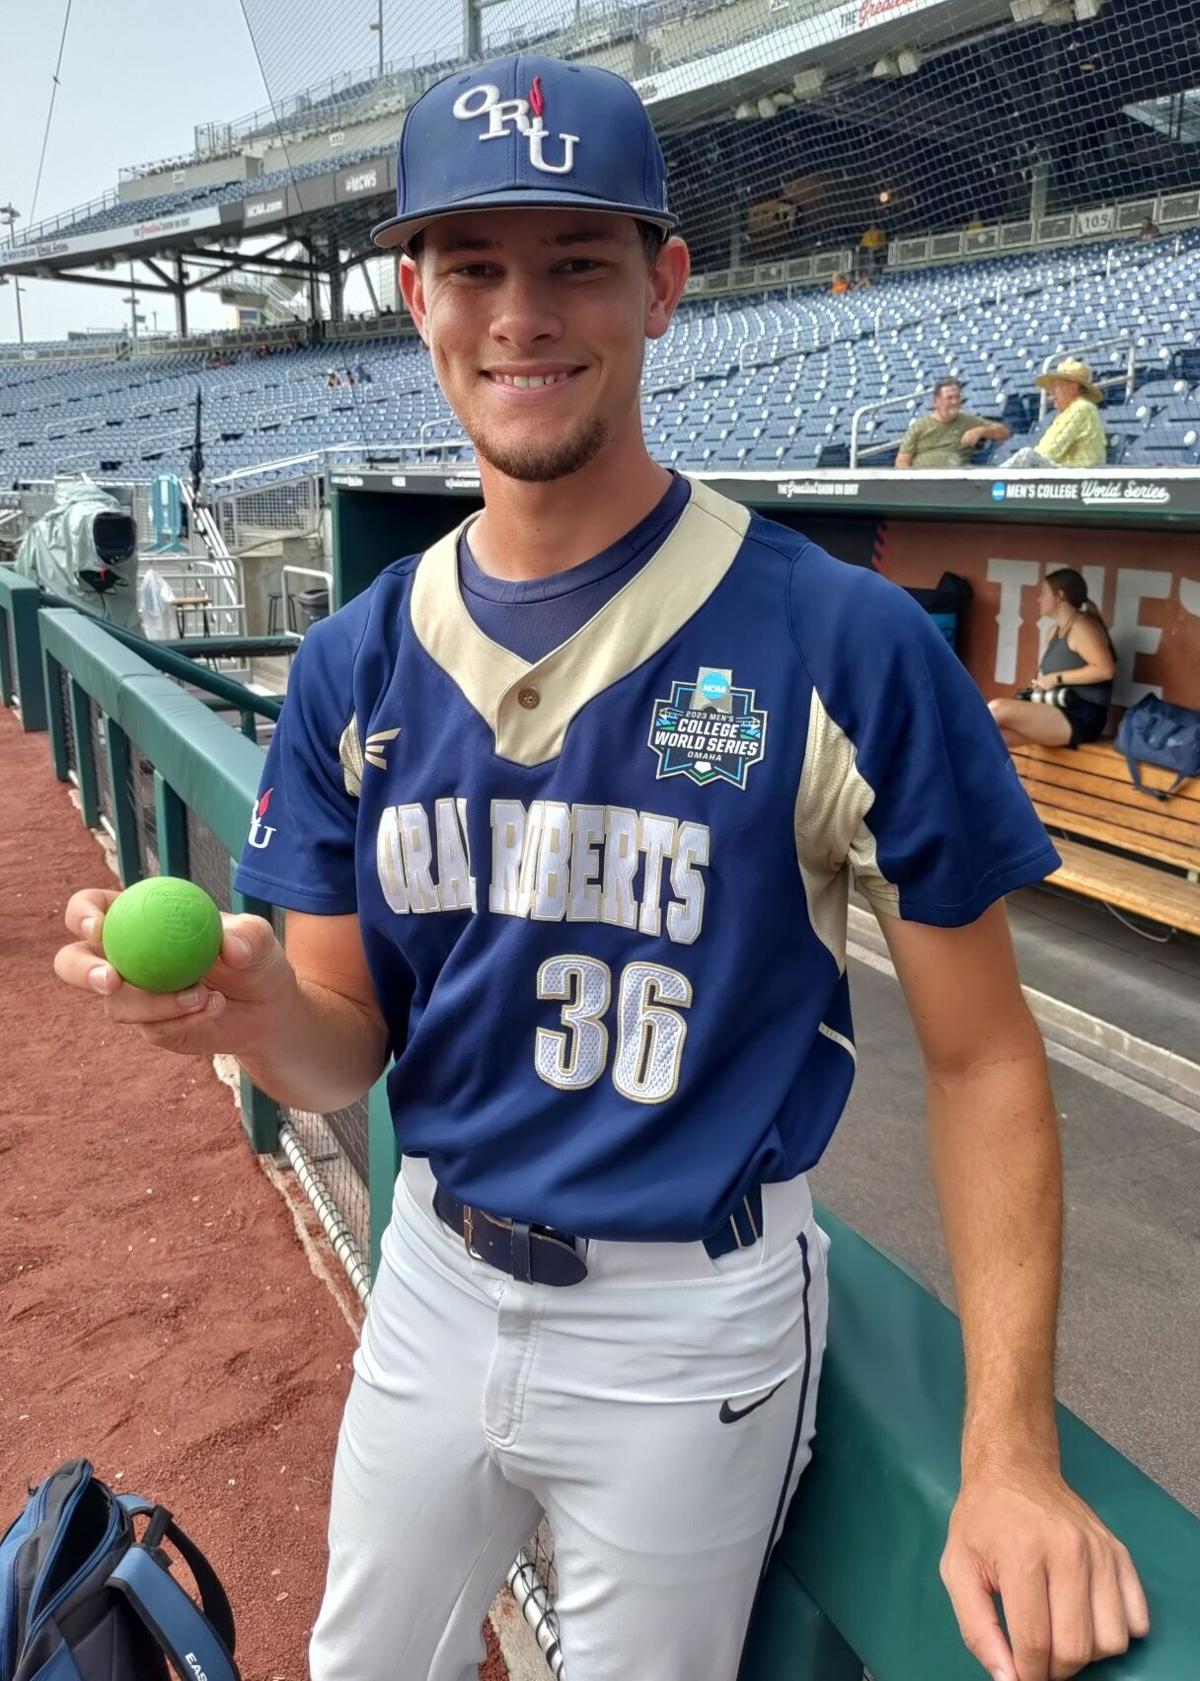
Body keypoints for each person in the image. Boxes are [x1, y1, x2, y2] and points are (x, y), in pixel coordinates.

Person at [52, 52, 1149, 1681]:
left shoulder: (843, 638)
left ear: (664, 287)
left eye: (576, 262)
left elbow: (987, 1056)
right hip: (432, 1265)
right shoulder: (357, 662)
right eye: (475, 267)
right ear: (415, 297)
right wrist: (251, 1003)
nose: (523, 316)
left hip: (692, 1321)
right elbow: (341, 1047)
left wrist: (1007, 1452)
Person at [989, 569, 1116, 749]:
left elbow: (1105, 670)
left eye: (1043, 593)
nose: (1038, 599)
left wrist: (1056, 679)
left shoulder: (1082, 627)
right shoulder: (1053, 632)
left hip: (1082, 715)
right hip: (1055, 706)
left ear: (1060, 596)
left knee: (996, 709)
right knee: (998, 738)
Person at [1004, 359, 1107, 469]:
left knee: (1027, 456)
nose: (1052, 394)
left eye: (1056, 388)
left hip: (1080, 475)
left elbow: (1048, 452)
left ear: (1073, 388)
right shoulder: (1068, 412)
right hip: (1066, 472)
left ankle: (991, 480)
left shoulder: (1081, 408)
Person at [895, 377, 1011, 469]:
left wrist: (981, 431)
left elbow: (1004, 432)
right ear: (936, 402)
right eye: (949, 398)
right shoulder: (919, 426)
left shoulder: (968, 421)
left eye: (957, 397)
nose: (955, 402)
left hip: (954, 483)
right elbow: (902, 462)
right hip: (921, 484)